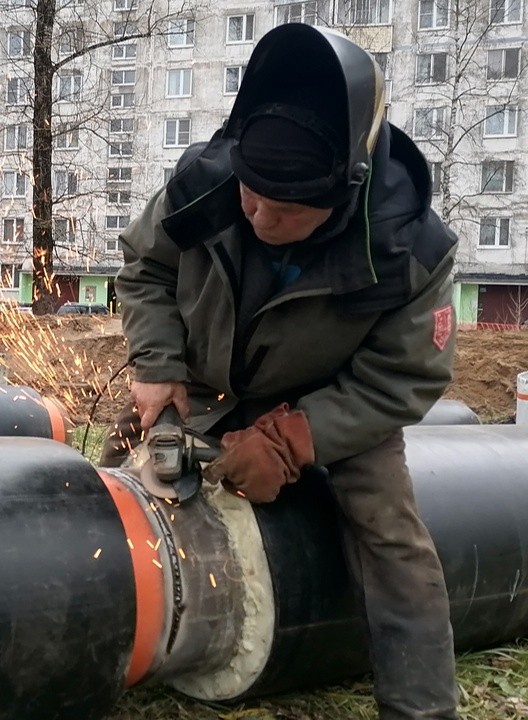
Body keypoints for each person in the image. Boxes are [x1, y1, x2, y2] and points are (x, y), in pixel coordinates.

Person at [100, 24, 458, 720]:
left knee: (390, 535)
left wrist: (294, 440)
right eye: (251, 195)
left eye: (284, 209)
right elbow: (144, 268)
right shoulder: (207, 182)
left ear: (341, 193)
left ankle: (422, 709)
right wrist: (158, 366)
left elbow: (404, 376)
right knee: (121, 479)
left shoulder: (409, 247)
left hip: (335, 399)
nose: (258, 214)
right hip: (202, 377)